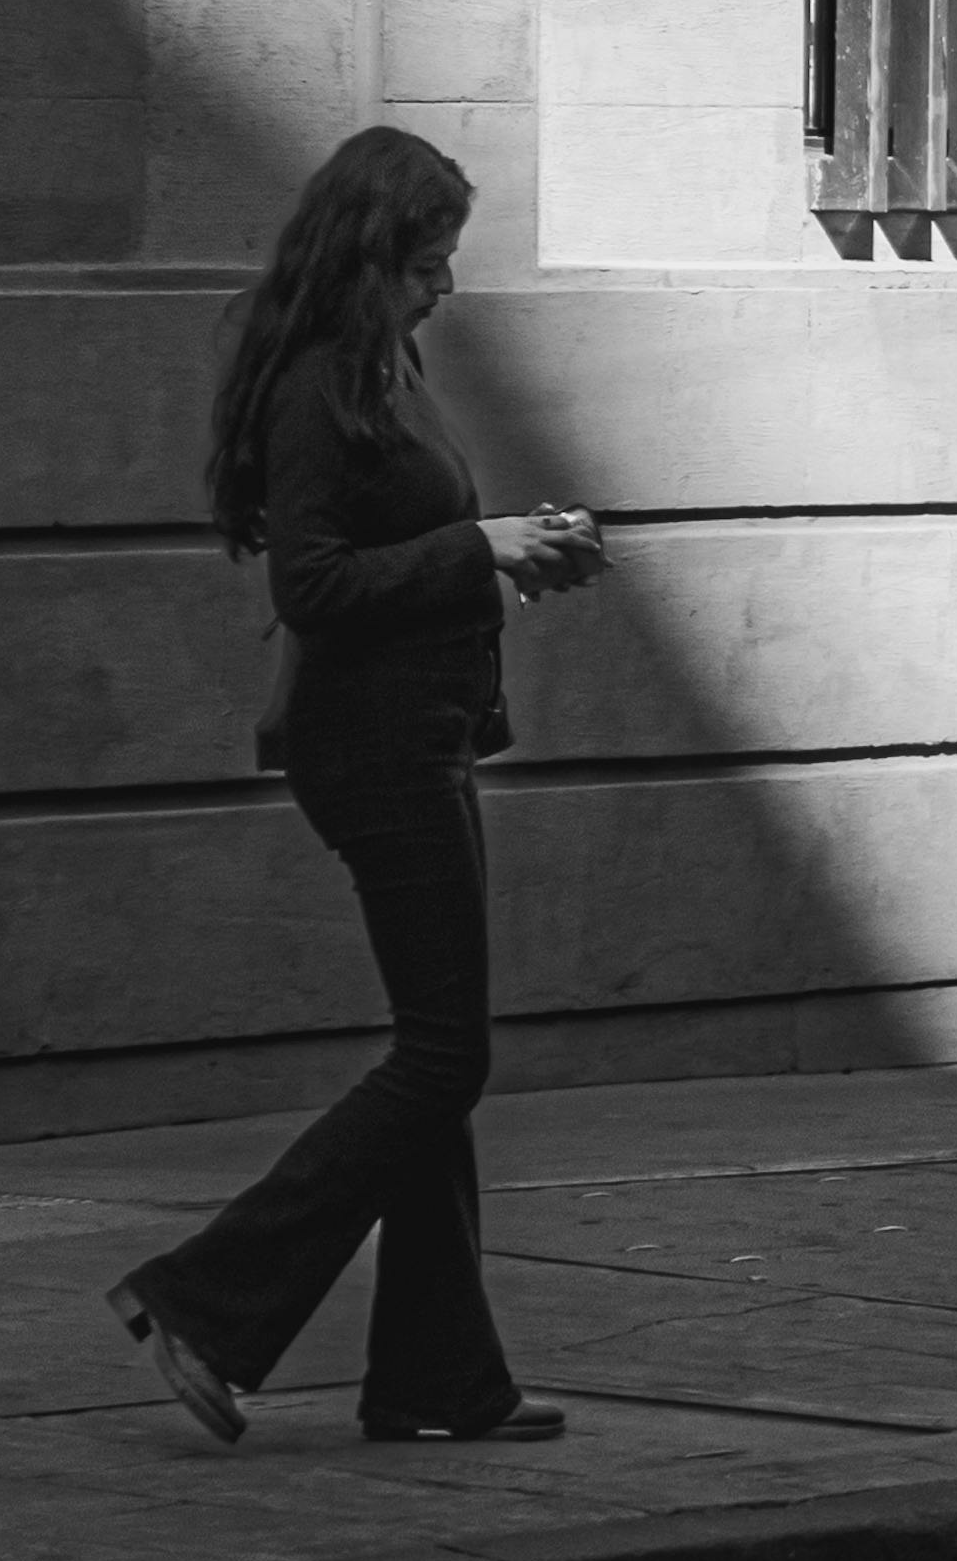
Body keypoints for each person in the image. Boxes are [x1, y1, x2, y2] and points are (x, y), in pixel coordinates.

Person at [108, 125, 603, 1447]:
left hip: (422, 733)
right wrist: (478, 545)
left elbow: (403, 549)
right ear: (368, 258)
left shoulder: (384, 363)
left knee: (438, 1062)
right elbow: (315, 583)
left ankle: (441, 1379)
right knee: (445, 1055)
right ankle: (205, 1299)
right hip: (376, 748)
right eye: (428, 265)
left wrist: (514, 552)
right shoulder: (319, 380)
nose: (445, 288)